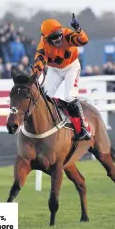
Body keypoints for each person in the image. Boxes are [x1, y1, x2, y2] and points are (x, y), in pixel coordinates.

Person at [32, 13, 91, 141]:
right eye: (54, 37)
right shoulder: (42, 47)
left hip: (71, 67)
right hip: (55, 70)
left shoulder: (67, 34)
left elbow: (84, 41)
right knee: (44, 96)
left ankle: (83, 128)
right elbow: (38, 64)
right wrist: (34, 77)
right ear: (46, 38)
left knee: (70, 96)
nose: (59, 38)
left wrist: (79, 30)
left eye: (59, 34)